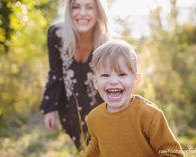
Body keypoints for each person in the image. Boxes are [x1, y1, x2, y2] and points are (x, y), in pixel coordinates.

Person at [80, 40, 184, 157]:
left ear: (135, 80)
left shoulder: (149, 115)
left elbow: (172, 152)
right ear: (95, 82)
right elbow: (95, 147)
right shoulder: (94, 117)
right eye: (105, 75)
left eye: (122, 74)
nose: (113, 81)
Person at [40, 0, 111, 150]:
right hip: (69, 108)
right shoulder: (56, 34)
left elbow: (113, 81)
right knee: (82, 149)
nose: (82, 13)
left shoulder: (107, 42)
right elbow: (55, 72)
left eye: (89, 7)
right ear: (69, 11)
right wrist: (49, 107)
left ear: (98, 11)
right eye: (76, 7)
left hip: (100, 108)